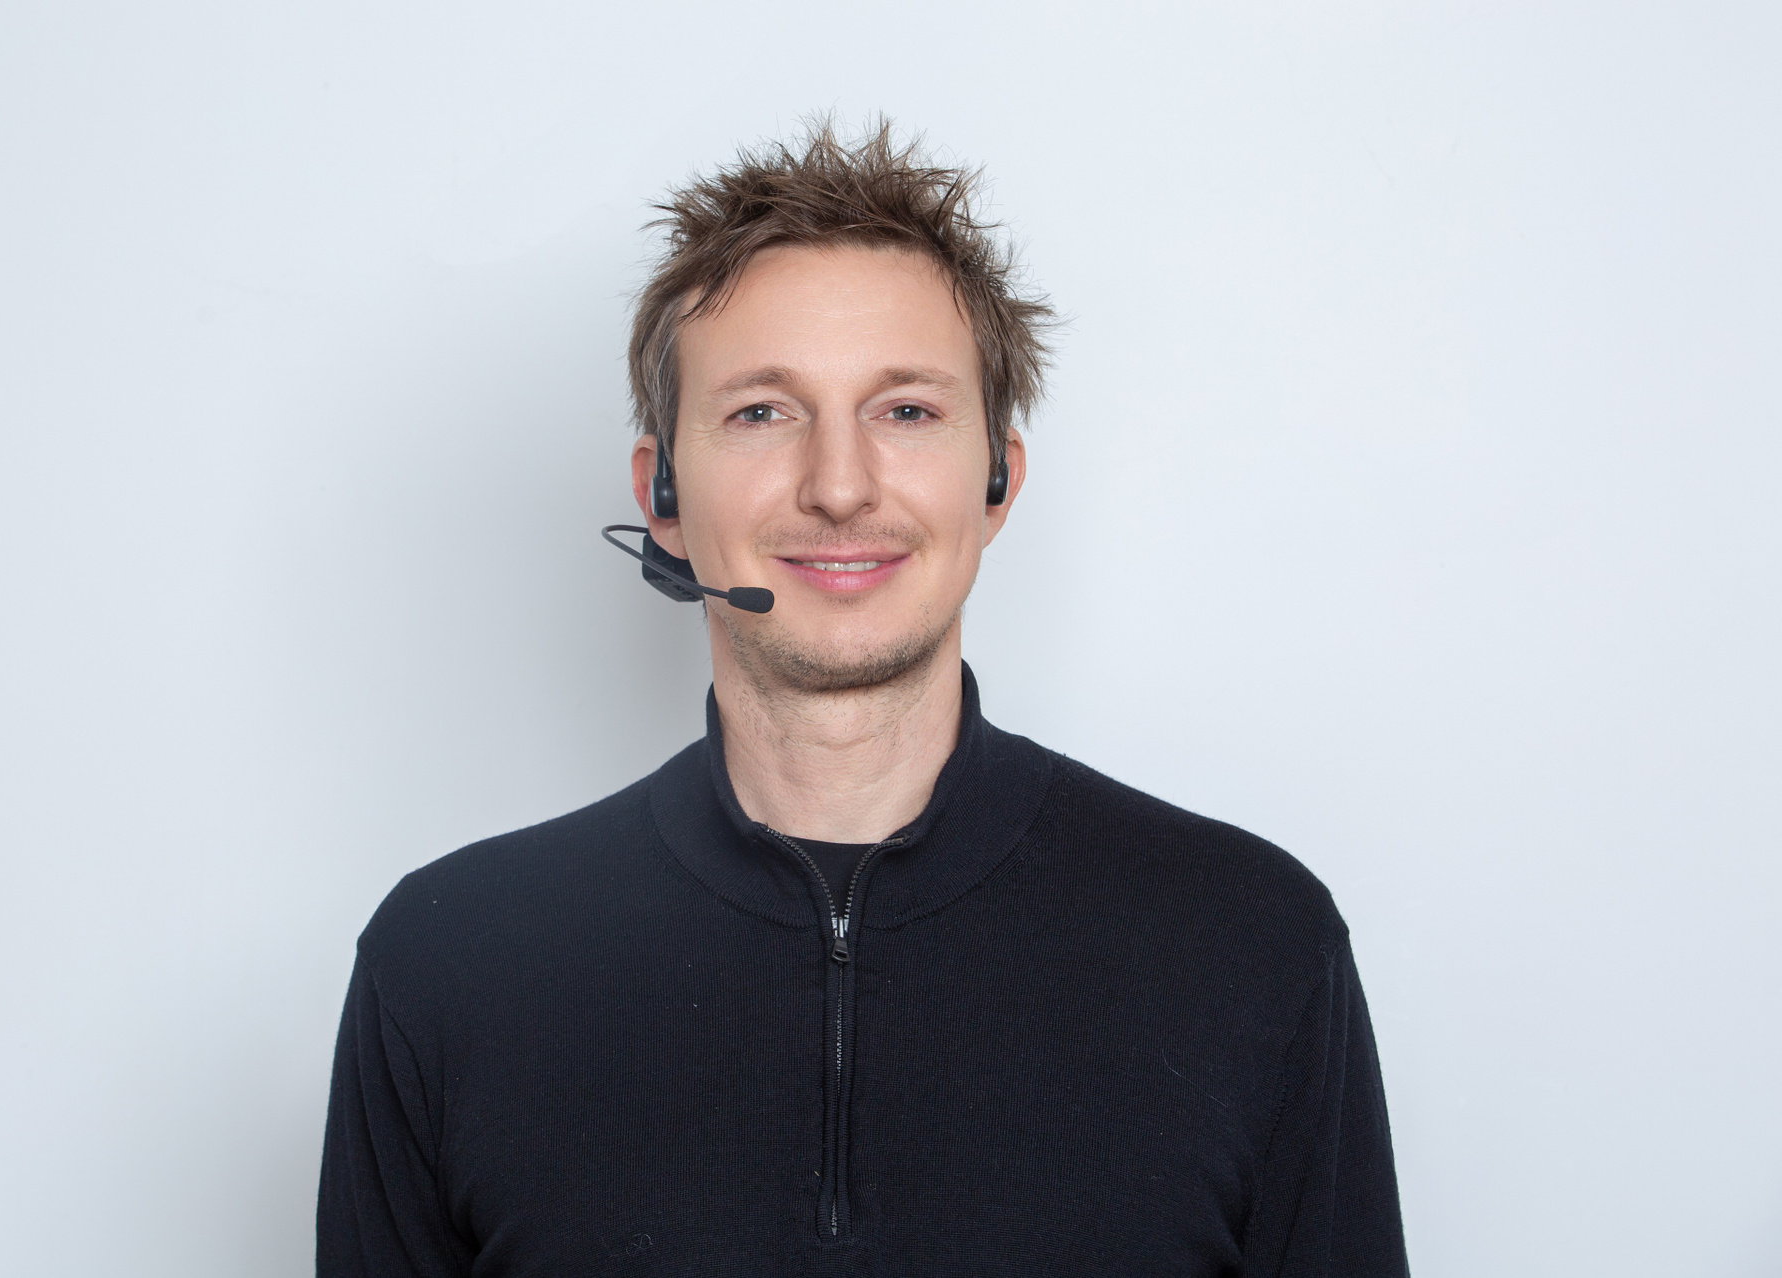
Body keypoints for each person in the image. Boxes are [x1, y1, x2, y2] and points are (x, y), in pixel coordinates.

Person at [317, 121, 1409, 1277]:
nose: (839, 488)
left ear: (998, 482)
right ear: (663, 495)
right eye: (761, 412)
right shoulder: (447, 967)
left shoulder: (1251, 944)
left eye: (907, 412)